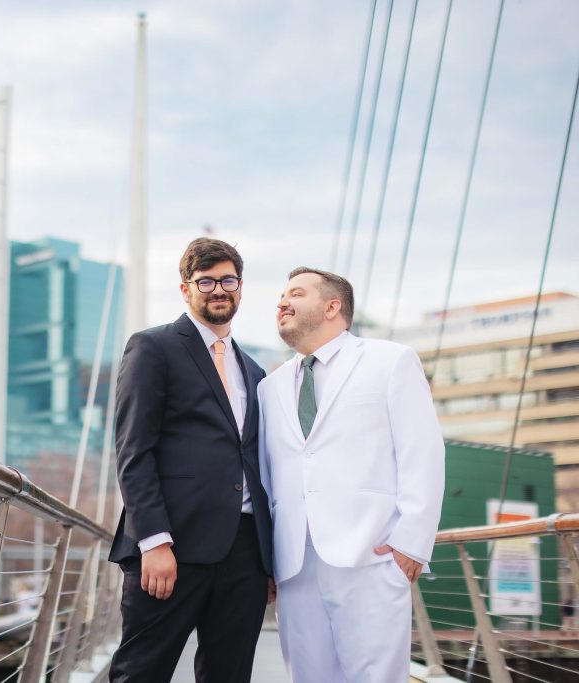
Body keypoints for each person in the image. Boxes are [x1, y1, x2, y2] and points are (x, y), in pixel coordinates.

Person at [258, 267, 445, 682]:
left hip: (372, 556)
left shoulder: (390, 360)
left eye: (296, 293)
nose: (282, 302)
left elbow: (423, 453)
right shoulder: (269, 387)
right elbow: (269, 477)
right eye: (281, 295)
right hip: (294, 565)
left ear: (332, 306)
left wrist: (411, 546)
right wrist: (268, 562)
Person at [108, 237, 274, 683]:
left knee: (230, 674)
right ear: (185, 289)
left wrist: (268, 559)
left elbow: (257, 464)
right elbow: (132, 449)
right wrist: (155, 542)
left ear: (240, 288)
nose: (218, 290)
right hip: (173, 546)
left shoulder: (255, 372)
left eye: (228, 280)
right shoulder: (153, 347)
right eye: (205, 281)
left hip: (244, 553)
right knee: (141, 672)